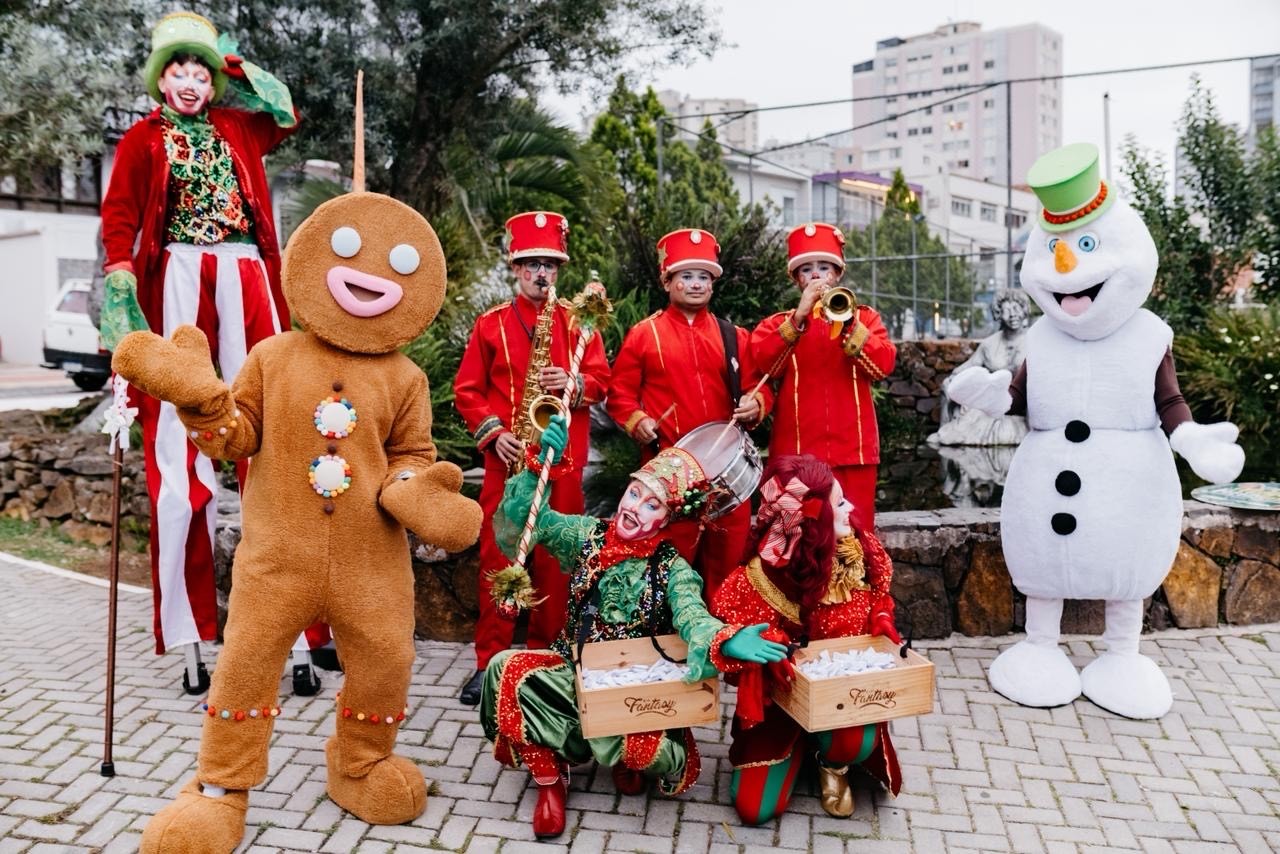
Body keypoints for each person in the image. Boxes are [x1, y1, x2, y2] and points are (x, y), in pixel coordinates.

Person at [96, 11, 326, 693]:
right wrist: (118, 281)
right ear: (160, 79)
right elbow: (120, 218)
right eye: (178, 69)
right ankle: (191, 628)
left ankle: (300, 632)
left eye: (200, 71)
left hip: (248, 276)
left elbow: (284, 109)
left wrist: (233, 66)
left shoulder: (240, 126)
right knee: (177, 450)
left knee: (276, 434)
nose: (191, 82)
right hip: (179, 281)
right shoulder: (143, 139)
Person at [480, 415, 787, 839]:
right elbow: (525, 526)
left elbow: (693, 619)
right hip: (576, 672)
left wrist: (727, 639)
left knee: (647, 749)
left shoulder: (672, 569)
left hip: (634, 690)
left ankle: (629, 758)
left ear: (665, 519)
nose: (633, 507)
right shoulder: (587, 535)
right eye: (635, 492)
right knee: (505, 669)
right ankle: (552, 782)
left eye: (651, 504)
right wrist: (539, 466)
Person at [453, 211, 611, 706]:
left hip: (560, 464)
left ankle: (546, 659)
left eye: (550, 265)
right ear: (515, 268)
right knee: (496, 560)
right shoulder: (490, 325)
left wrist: (576, 383)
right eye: (531, 264)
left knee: (556, 562)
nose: (541, 274)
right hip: (509, 460)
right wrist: (493, 433)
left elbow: (605, 382)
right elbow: (467, 391)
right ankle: (489, 662)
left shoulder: (580, 325)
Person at [710, 454, 904, 825]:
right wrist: (762, 647)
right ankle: (795, 749)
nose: (852, 509)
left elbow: (878, 598)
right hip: (782, 701)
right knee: (754, 810)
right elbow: (729, 635)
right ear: (813, 523)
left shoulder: (856, 551)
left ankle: (833, 763)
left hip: (839, 697)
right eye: (840, 503)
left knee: (852, 741)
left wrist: (880, 616)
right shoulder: (765, 571)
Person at [606, 228, 768, 598]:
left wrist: (755, 404)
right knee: (668, 563)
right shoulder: (644, 335)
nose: (696, 284)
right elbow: (619, 395)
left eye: (703, 277)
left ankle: (722, 643)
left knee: (727, 566)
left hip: (726, 476)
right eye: (686, 276)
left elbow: (760, 386)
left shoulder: (734, 336)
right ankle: (667, 645)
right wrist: (637, 421)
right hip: (667, 475)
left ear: (712, 284)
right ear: (668, 282)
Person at [751, 223, 896, 533]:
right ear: (796, 279)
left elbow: (883, 365)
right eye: (806, 270)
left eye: (824, 268)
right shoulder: (779, 323)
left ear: (837, 274)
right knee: (798, 537)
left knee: (855, 537)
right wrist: (798, 318)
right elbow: (764, 364)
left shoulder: (865, 318)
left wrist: (848, 325)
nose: (816, 276)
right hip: (797, 457)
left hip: (854, 453)